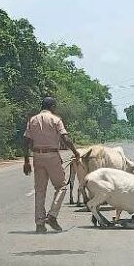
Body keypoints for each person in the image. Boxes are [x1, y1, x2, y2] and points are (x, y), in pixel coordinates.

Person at [23, 96, 80, 233]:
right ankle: (52, 216)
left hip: (37, 155)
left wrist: (26, 161)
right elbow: (65, 138)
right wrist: (76, 152)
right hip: (52, 156)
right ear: (52, 107)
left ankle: (40, 224)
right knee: (61, 186)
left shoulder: (33, 120)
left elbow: (26, 142)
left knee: (40, 190)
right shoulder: (56, 120)